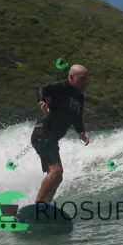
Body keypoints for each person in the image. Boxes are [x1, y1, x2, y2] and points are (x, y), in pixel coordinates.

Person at [31, 64, 90, 204]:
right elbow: (42, 89)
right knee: (56, 171)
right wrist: (42, 100)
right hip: (42, 132)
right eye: (82, 78)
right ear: (71, 78)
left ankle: (44, 205)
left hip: (51, 138)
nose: (85, 82)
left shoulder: (80, 98)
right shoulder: (61, 87)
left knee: (57, 176)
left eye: (87, 79)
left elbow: (77, 117)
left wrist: (81, 132)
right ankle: (38, 206)